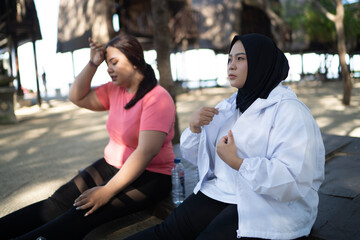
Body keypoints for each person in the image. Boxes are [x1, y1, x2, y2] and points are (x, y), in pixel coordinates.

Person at [125, 33, 325, 240]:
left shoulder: (290, 112)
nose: (231, 65)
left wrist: (238, 163)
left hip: (270, 203)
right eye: (229, 59)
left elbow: (293, 180)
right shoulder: (230, 106)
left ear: (261, 62)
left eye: (240, 59)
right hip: (222, 192)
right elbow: (197, 158)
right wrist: (194, 129)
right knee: (166, 233)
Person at [0, 33, 176, 240]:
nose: (109, 69)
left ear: (135, 60)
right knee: (58, 201)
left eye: (114, 63)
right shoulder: (116, 90)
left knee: (82, 213)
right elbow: (76, 96)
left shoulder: (157, 98)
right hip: (113, 164)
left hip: (151, 175)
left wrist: (106, 191)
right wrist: (93, 63)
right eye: (107, 64)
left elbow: (146, 152)